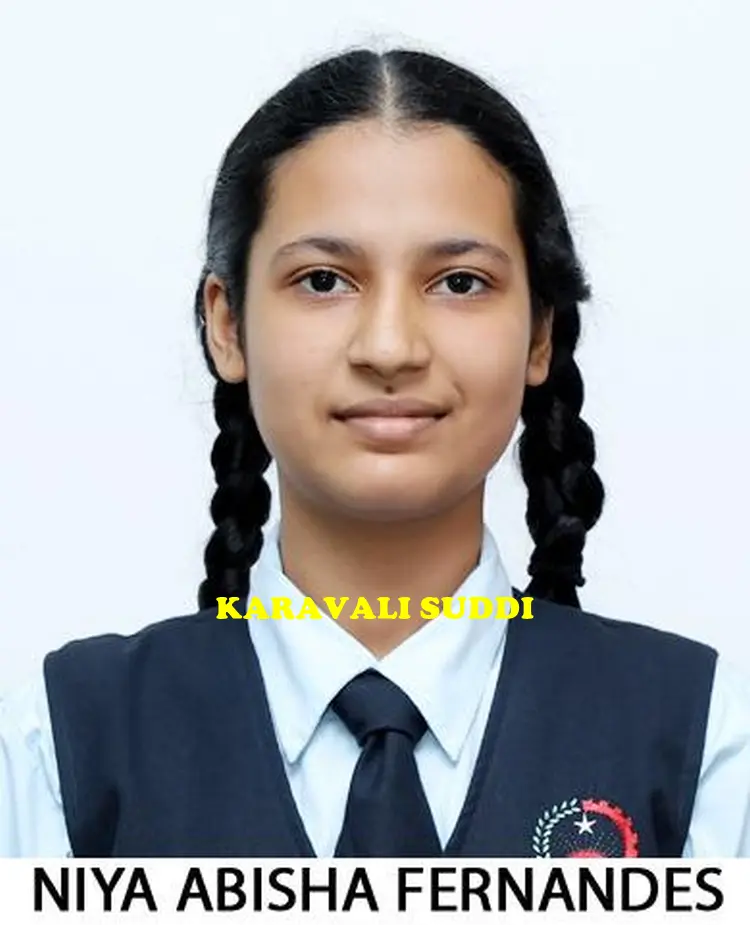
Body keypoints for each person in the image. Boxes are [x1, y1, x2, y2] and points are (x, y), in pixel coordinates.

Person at [2, 47, 750, 859]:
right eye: (324, 280)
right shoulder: (57, 748)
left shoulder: (707, 743)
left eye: (459, 282)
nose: (390, 347)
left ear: (540, 331)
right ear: (227, 324)